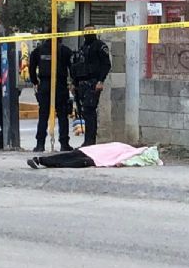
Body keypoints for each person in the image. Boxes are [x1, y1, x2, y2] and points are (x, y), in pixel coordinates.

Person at [30, 37, 73, 152]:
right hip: (60, 85)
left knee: (43, 115)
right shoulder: (65, 50)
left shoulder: (38, 50)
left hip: (44, 85)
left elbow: (31, 67)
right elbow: (72, 68)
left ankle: (40, 144)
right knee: (63, 115)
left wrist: (35, 82)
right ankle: (64, 144)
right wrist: (73, 83)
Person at [70, 25, 111, 146]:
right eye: (86, 31)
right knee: (84, 112)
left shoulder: (99, 46)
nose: (88, 33)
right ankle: (87, 140)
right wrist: (73, 83)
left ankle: (90, 141)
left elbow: (106, 65)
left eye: (91, 31)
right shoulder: (82, 48)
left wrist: (100, 81)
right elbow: (77, 66)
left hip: (93, 82)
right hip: (81, 84)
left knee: (89, 110)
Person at [27, 142, 161, 169]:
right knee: (73, 161)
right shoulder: (131, 151)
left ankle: (41, 160)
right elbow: (129, 159)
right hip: (95, 158)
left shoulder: (121, 145)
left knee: (68, 156)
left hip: (91, 152)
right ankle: (45, 162)